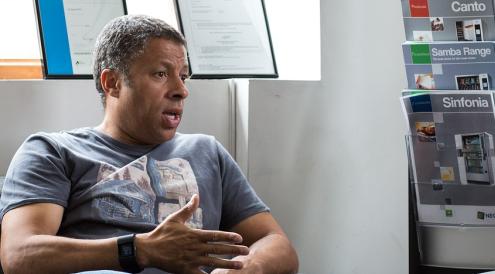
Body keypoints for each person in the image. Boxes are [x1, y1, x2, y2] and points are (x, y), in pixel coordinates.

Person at [0, 15, 299, 274]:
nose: (181, 91)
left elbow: (278, 246)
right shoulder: (52, 151)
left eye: (183, 77)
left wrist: (243, 269)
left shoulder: (207, 152)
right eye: (161, 74)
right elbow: (20, 255)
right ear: (112, 83)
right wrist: (140, 250)